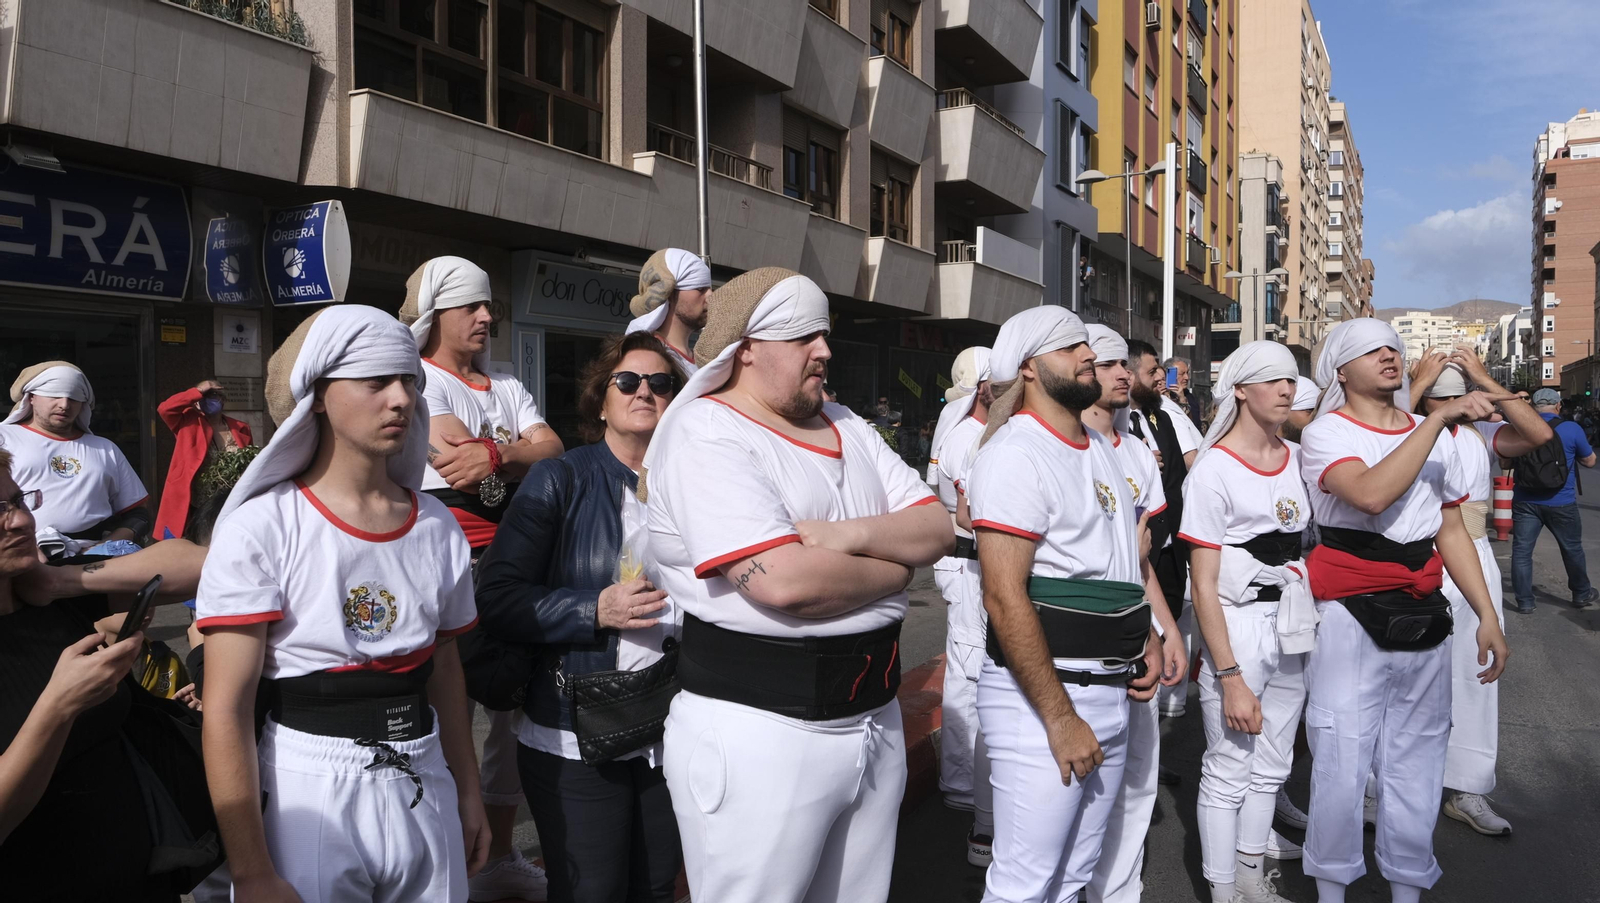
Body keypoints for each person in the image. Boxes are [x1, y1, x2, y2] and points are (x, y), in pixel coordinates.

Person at [642, 267, 952, 903]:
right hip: (761, 737)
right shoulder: (708, 431)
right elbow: (784, 584)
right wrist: (895, 567)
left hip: (874, 720)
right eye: (804, 336)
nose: (826, 351)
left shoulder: (848, 424)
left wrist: (841, 538)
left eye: (825, 334)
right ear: (746, 347)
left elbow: (936, 527)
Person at [197, 306, 489, 903]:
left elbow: (447, 671)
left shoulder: (435, 525)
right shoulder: (263, 527)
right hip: (310, 786)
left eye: (408, 381)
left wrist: (466, 789)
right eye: (375, 381)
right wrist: (251, 870)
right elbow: (226, 709)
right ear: (321, 397)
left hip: (424, 771)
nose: (401, 400)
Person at [1297, 319, 1509, 903]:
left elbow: (1449, 530)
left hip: (1424, 609)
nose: (1389, 355)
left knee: (1418, 759)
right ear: (1341, 370)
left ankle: (1408, 888)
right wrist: (1437, 419)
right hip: (1348, 612)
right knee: (1342, 756)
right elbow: (1369, 493)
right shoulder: (1327, 433)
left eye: (1394, 345)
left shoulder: (1424, 431)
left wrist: (1486, 614)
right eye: (1371, 350)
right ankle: (1332, 890)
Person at [475, 331, 686, 903]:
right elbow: (497, 596)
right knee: (590, 890)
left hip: (673, 731)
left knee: (657, 886)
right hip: (575, 733)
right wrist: (592, 609)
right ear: (601, 400)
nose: (645, 391)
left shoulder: (693, 486)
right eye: (628, 381)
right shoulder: (560, 479)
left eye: (660, 383)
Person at [966, 306, 1165, 903]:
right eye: (1066, 347)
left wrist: (1147, 635)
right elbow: (1003, 596)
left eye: (1086, 343)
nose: (1086, 355)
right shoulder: (1015, 454)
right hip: (1045, 701)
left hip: (1108, 688)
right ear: (1028, 368)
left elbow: (1120, 562)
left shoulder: (1098, 446)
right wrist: (1059, 719)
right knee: (1024, 885)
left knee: (1077, 875)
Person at [400, 256, 562, 901]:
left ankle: (494, 857)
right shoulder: (420, 380)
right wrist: (513, 463)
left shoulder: (507, 380)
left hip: (516, 563)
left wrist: (495, 454)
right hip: (449, 562)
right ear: (439, 313)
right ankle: (443, 866)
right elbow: (464, 474)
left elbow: (549, 451)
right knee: (446, 713)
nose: (487, 317)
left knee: (513, 712)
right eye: (472, 306)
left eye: (488, 306)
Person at [0, 445, 212, 901]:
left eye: (18, 502)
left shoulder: (42, 596)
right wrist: (59, 707)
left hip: (141, 879)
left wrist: (62, 581)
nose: (18, 521)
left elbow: (196, 563)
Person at [1177, 341, 1313, 903]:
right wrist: (1228, 673)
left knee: (1273, 764)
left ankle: (1253, 877)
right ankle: (1222, 887)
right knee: (1230, 766)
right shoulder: (1213, 471)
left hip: (1292, 627)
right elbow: (1204, 584)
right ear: (1239, 389)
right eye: (1271, 379)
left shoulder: (1299, 458)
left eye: (1291, 380)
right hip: (1238, 628)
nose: (1286, 389)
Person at [1411, 350, 1552, 837]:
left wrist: (1485, 380)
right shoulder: (1400, 425)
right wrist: (1419, 384)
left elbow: (1538, 434)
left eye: (1462, 396)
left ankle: (1466, 787)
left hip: (1471, 556)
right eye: (1444, 397)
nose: (1459, 403)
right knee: (1401, 675)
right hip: (1411, 560)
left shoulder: (1483, 435)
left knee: (1474, 674)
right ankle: (1375, 785)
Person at [1079, 324, 1187, 903]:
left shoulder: (1140, 455)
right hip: (1076, 643)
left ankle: (1120, 892)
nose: (1123, 374)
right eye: (1108, 364)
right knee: (1077, 790)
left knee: (1137, 778)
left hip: (1138, 634)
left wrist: (1168, 631)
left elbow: (1141, 564)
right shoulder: (1054, 448)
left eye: (1127, 364)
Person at [928, 345, 994, 859]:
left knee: (970, 670)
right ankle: (963, 785)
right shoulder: (967, 437)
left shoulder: (979, 431)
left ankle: (965, 783)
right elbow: (972, 517)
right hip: (969, 564)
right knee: (971, 674)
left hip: (975, 566)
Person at [1127, 340, 1200, 717]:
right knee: (1140, 644)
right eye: (1153, 371)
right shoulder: (1117, 426)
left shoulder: (1162, 418)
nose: (1161, 378)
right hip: (1139, 554)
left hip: (1170, 548)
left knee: (1170, 627)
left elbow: (1177, 478)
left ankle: (1152, 733)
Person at [2, 361, 149, 545]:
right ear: (31, 396)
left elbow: (137, 513)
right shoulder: (4, 439)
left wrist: (104, 548)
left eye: (73, 398)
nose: (64, 404)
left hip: (97, 560)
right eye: (54, 395)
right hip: (23, 555)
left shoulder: (105, 449)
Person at [1509, 387, 1596, 613]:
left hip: (1525, 500)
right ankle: (1581, 593)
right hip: (1561, 501)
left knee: (1521, 551)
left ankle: (1525, 602)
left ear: (1533, 407)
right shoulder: (1571, 428)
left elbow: (1506, 464)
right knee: (1572, 549)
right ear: (1558, 406)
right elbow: (1590, 461)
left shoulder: (1520, 428)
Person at [154, 379, 253, 542]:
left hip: (231, 498)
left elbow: (248, 461)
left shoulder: (240, 427)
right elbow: (165, 408)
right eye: (205, 396)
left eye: (214, 395)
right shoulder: (187, 422)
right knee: (199, 542)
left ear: (223, 400)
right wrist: (198, 390)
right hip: (197, 499)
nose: (209, 399)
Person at [625, 248, 713, 374]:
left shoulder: (702, 361)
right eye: (700, 289)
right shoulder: (648, 360)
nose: (710, 297)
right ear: (670, 294)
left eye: (709, 289)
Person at [1164, 357, 1204, 429]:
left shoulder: (1190, 398)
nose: (1186, 377)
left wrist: (1182, 399)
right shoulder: (1161, 396)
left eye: (1187, 373)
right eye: (1182, 374)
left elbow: (1194, 425)